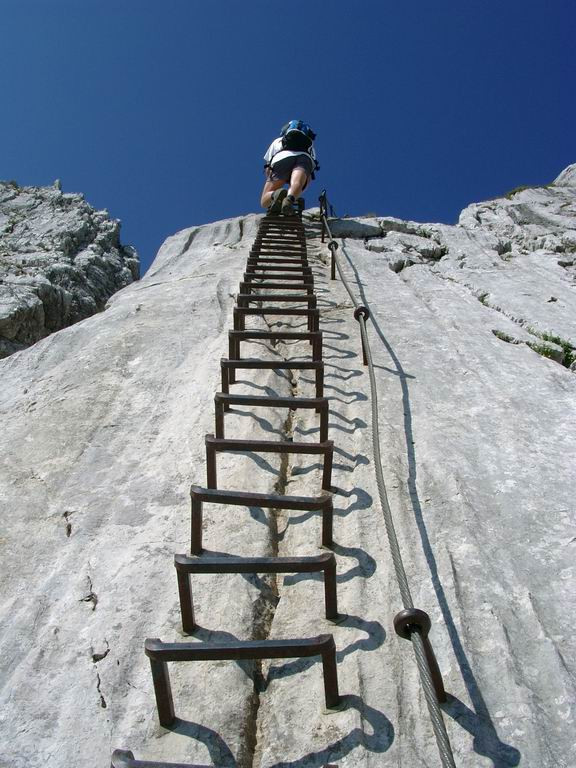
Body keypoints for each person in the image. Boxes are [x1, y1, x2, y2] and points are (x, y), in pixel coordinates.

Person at [260, 120, 319, 215]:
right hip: (304, 158)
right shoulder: (310, 145)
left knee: (264, 201)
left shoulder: (278, 141)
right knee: (297, 183)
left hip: (282, 158)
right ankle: (290, 199)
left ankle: (275, 194)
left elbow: (268, 167)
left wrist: (272, 178)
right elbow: (310, 171)